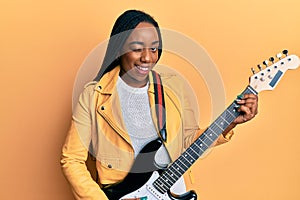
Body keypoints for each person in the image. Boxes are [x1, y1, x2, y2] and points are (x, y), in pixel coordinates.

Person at [61, 9, 258, 200]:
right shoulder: (93, 95)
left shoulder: (173, 87)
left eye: (153, 48)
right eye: (137, 48)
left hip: (172, 191)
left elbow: (188, 140)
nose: (147, 58)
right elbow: (71, 160)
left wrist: (231, 121)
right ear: (120, 47)